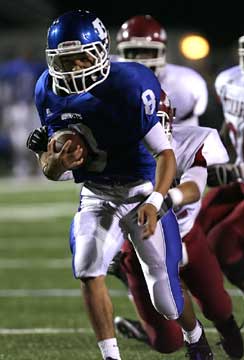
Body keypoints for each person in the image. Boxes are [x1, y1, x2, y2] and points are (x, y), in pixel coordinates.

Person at [26, 9, 214, 360]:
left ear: (101, 52)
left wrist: (157, 201)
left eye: (82, 57)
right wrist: (56, 163)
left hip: (140, 189)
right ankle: (111, 356)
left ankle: (195, 335)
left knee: (167, 300)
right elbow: (50, 168)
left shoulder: (130, 84)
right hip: (97, 193)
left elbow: (166, 155)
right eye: (65, 61)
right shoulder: (46, 89)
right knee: (87, 265)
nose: (74, 68)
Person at [109, 93, 244, 359]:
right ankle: (174, 332)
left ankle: (229, 331)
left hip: (186, 234)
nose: (152, 134)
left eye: (157, 124)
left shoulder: (193, 140)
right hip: (141, 241)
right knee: (167, 342)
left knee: (218, 305)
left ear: (169, 120)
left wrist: (166, 198)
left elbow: (194, 187)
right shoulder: (117, 150)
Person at [196, 34, 244, 293]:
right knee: (191, 229)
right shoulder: (229, 80)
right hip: (240, 179)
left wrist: (234, 170)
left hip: (240, 174)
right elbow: (230, 125)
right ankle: (173, 324)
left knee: (224, 241)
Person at [115, 14, 208, 126]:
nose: (139, 59)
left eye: (146, 52)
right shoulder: (109, 76)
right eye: (133, 52)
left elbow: (189, 132)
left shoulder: (187, 83)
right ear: (120, 53)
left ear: (162, 52)